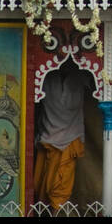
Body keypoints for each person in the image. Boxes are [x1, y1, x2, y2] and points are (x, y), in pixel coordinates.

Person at [34, 64, 90, 211]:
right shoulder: (47, 77)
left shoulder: (77, 78)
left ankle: (54, 212)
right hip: (48, 139)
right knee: (45, 186)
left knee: (60, 188)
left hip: (69, 140)